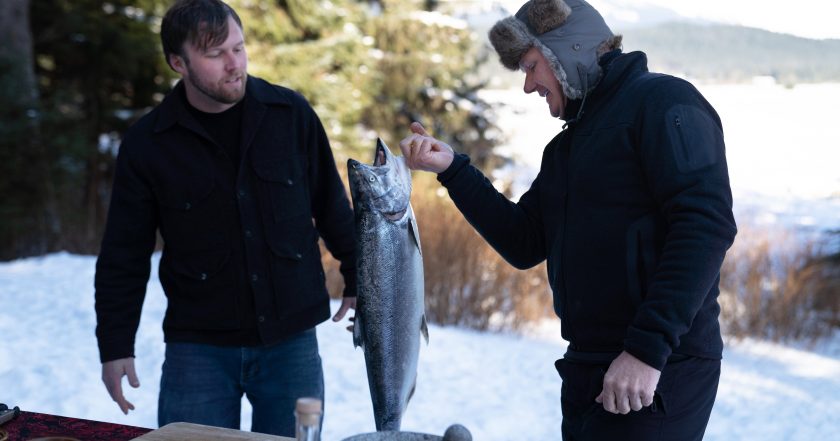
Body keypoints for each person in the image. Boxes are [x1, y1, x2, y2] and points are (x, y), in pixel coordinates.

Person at [399, 0, 737, 439]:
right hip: (586, 365)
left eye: (530, 65)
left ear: (567, 48)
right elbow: (524, 241)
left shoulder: (662, 102)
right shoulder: (567, 147)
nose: (527, 85)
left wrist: (646, 350)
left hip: (659, 367)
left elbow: (705, 226)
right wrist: (455, 171)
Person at [93, 0, 356, 436]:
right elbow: (124, 252)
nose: (234, 64)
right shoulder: (148, 144)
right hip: (197, 349)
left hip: (291, 344)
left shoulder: (290, 116)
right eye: (215, 55)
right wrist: (115, 345)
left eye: (239, 47)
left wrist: (357, 275)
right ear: (179, 62)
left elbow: (332, 205)